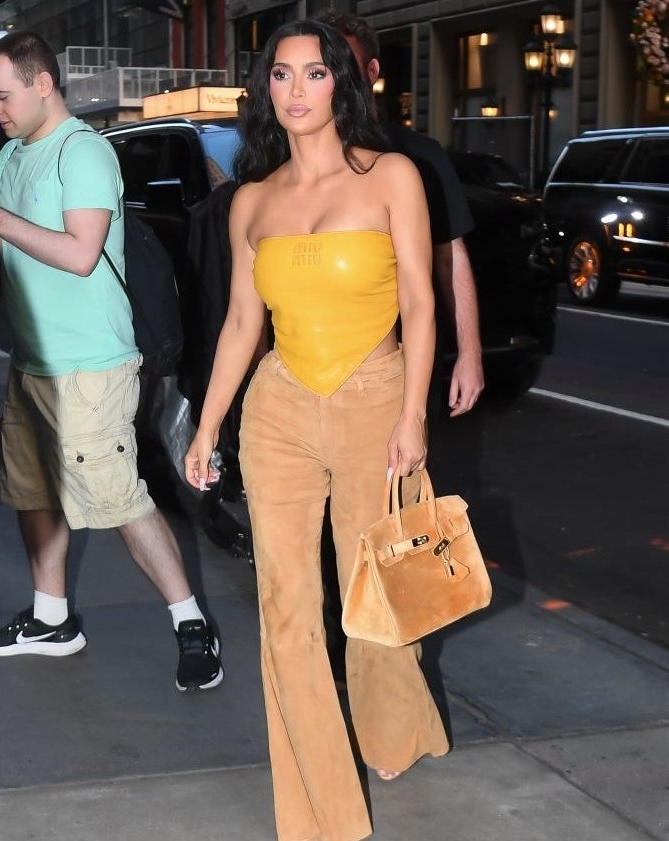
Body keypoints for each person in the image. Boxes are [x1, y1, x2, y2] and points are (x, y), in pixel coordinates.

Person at [185, 19, 449, 841]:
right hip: (278, 409)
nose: (296, 92)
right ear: (265, 91)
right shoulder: (251, 201)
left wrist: (412, 413)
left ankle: (392, 726)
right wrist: (208, 427)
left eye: (313, 74)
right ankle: (319, 812)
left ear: (342, 84)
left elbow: (419, 301)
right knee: (286, 605)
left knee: (370, 593)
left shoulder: (390, 177)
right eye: (280, 76)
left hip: (374, 397)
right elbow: (239, 325)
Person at [0, 31, 223, 692]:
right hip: (33, 358)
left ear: (41, 84)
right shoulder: (9, 157)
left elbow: (80, 252)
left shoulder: (83, 153)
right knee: (31, 491)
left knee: (118, 500)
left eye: (1, 95)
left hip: (92, 365)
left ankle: (190, 620)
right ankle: (51, 618)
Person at [317, 10, 484, 418]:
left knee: (398, 476)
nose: (335, 78)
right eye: (324, 68)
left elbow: (450, 254)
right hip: (310, 356)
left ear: (371, 70)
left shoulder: (420, 156)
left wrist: (470, 353)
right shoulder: (296, 163)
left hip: (403, 355)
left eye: (345, 63)